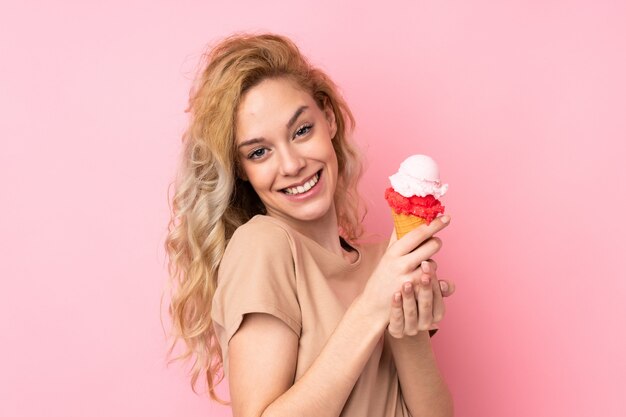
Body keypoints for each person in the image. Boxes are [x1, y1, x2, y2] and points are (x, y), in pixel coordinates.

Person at [165, 33, 456, 417]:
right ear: (243, 172)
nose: (290, 164)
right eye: (259, 152)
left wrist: (409, 332)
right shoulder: (263, 245)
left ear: (329, 120)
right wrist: (372, 306)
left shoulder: (381, 263)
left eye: (301, 131)